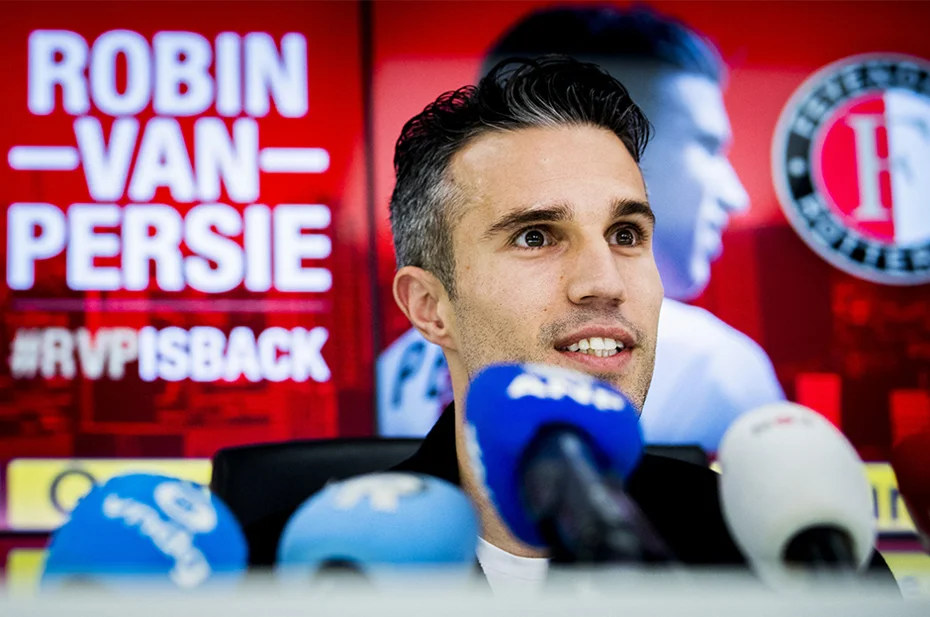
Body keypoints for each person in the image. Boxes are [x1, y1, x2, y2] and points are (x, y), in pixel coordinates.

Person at [248, 56, 894, 594]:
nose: (604, 281)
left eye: (626, 233)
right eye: (536, 236)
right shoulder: (281, 577)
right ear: (429, 306)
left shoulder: (795, 562)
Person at [378, 6, 784, 452]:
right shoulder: (712, 369)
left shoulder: (395, 367)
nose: (735, 196)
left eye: (625, 234)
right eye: (535, 237)